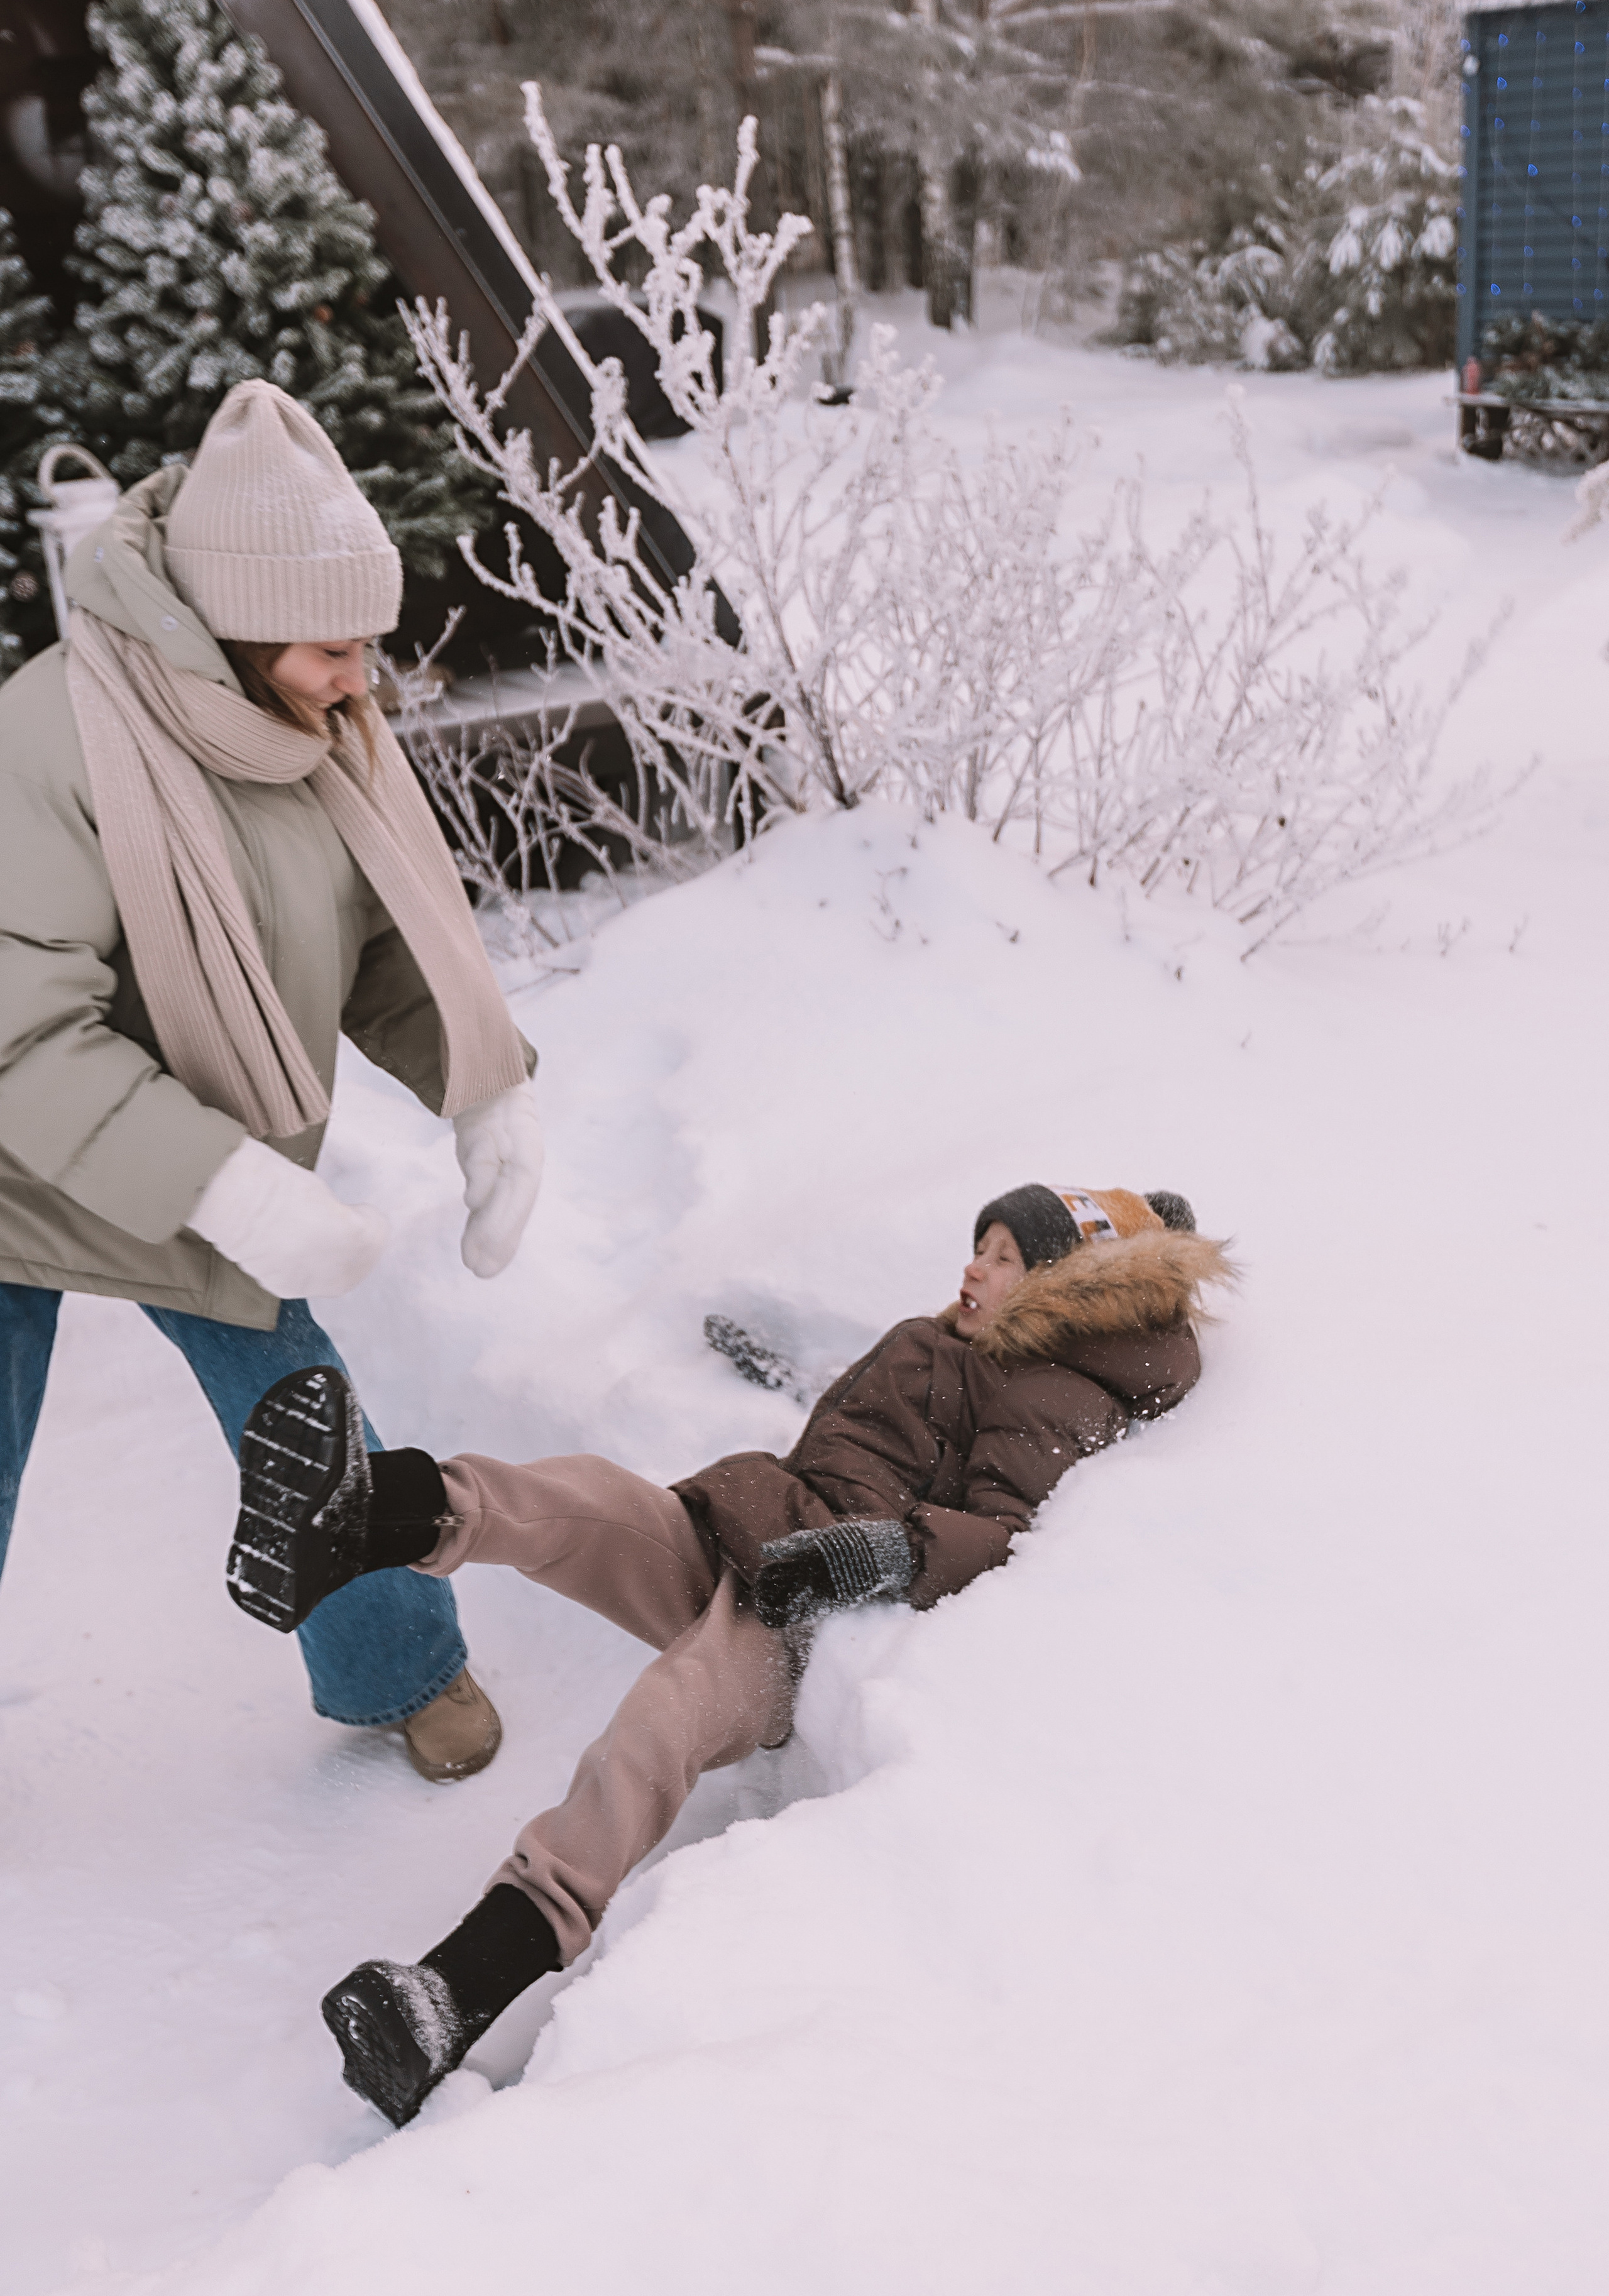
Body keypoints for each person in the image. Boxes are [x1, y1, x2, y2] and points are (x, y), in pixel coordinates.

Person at [226, 1178, 1232, 2125]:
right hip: (757, 1536)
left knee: (656, 1729)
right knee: (583, 1494)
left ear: (1061, 1288)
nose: (974, 1268)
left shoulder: (1053, 1391)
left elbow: (1005, 1535)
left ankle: (451, 1996)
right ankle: (359, 1519)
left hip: (811, 1618)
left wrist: (881, 1555)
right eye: (981, 1246)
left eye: (1004, 1259)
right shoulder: (944, 1337)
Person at [0, 379, 545, 1781]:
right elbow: (19, 1037)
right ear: (236, 626)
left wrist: (483, 1090)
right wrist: (226, 1185)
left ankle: (400, 1666)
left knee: (301, 1407)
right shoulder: (49, 742)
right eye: (331, 648)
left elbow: (374, 931)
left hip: (184, 1133)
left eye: (367, 645)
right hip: (19, 1156)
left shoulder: (306, 728)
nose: (361, 679)